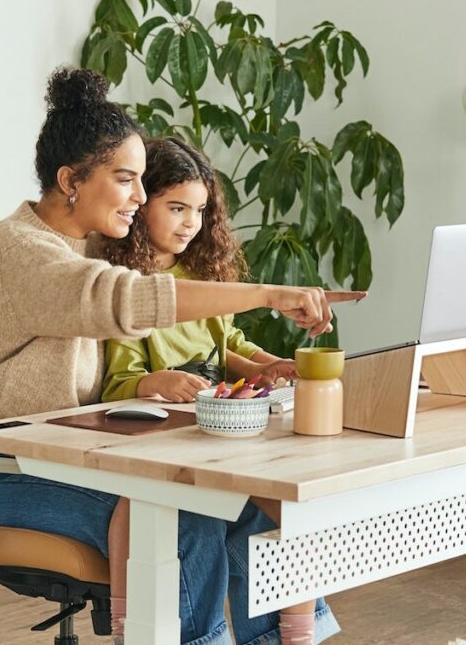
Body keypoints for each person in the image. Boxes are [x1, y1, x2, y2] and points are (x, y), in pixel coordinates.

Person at [0, 66, 360, 645]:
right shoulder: (21, 250)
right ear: (71, 180)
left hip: (74, 452)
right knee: (184, 509)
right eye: (126, 180)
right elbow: (130, 299)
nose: (142, 198)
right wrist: (271, 294)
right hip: (12, 470)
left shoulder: (86, 243)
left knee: (250, 509)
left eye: (143, 181)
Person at [101, 136, 333, 644]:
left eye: (200, 210)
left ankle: (290, 633)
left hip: (212, 434)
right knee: (238, 509)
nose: (191, 223)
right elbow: (117, 383)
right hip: (167, 442)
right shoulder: (125, 286)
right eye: (177, 207)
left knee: (277, 510)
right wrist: (155, 380)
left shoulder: (198, 274)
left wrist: (269, 364)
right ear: (141, 207)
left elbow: (225, 342)